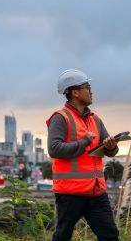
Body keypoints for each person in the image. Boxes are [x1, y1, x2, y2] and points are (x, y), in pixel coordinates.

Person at [47, 69, 119, 241]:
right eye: (87, 87)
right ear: (75, 92)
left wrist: (111, 147)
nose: (91, 91)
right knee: (62, 236)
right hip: (70, 193)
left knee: (110, 235)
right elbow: (54, 149)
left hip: (96, 191)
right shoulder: (60, 118)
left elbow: (111, 152)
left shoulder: (96, 119)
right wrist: (84, 142)